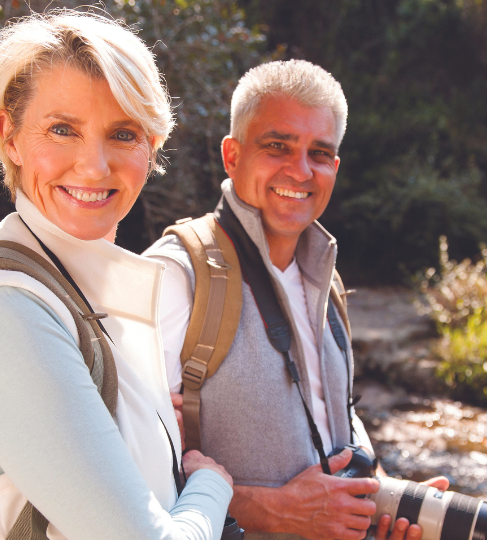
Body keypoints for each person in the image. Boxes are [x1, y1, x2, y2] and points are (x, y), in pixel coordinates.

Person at [0, 11, 234, 540]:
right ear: (9, 134)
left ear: (151, 146)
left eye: (123, 133)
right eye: (62, 129)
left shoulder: (84, 295)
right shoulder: (8, 313)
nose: (93, 166)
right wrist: (210, 486)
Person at [144, 60, 448, 540]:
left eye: (320, 153)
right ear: (232, 154)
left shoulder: (326, 275)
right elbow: (124, 470)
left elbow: (336, 413)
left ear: (335, 167)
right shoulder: (178, 275)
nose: (301, 170)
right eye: (278, 146)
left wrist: (383, 493)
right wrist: (269, 511)